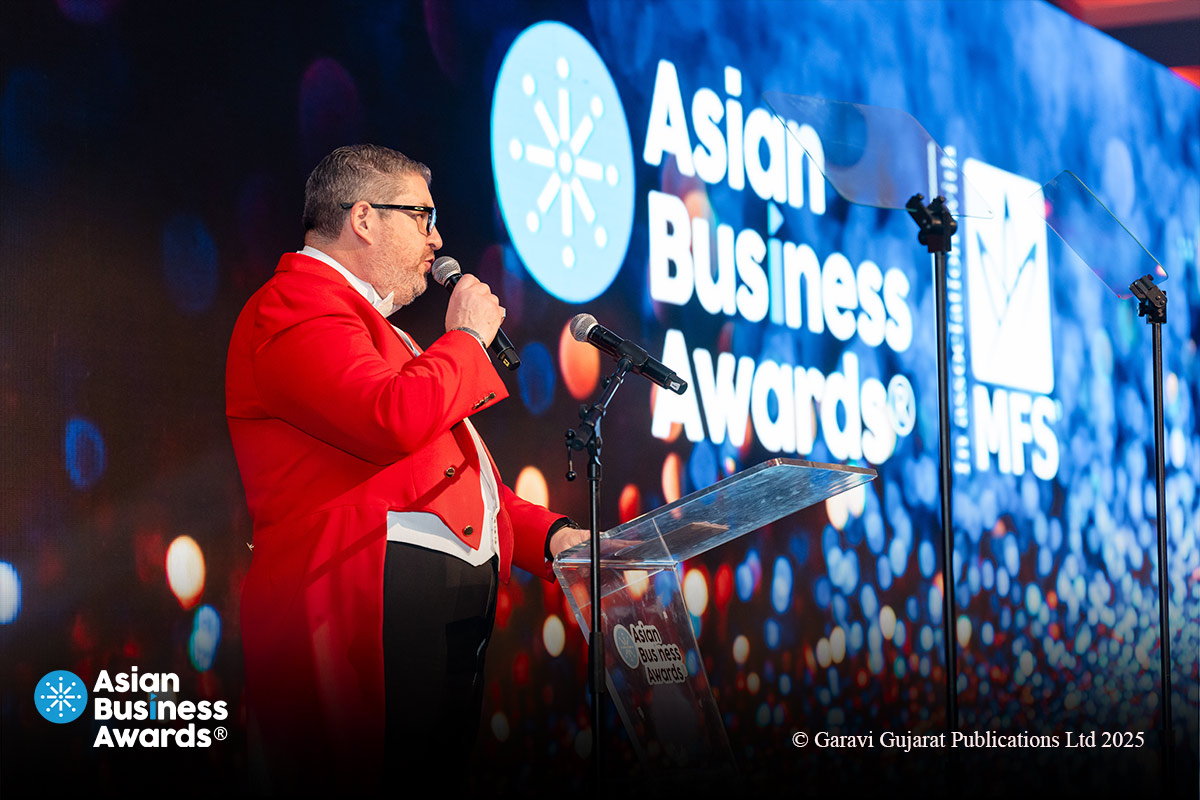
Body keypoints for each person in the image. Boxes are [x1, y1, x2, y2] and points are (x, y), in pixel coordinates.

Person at [225, 144, 586, 793]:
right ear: (363, 218)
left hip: (429, 642)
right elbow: (389, 417)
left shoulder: (390, 336)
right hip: (350, 634)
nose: (438, 238)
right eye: (423, 216)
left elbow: (463, 481)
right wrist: (467, 339)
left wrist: (554, 539)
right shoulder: (294, 303)